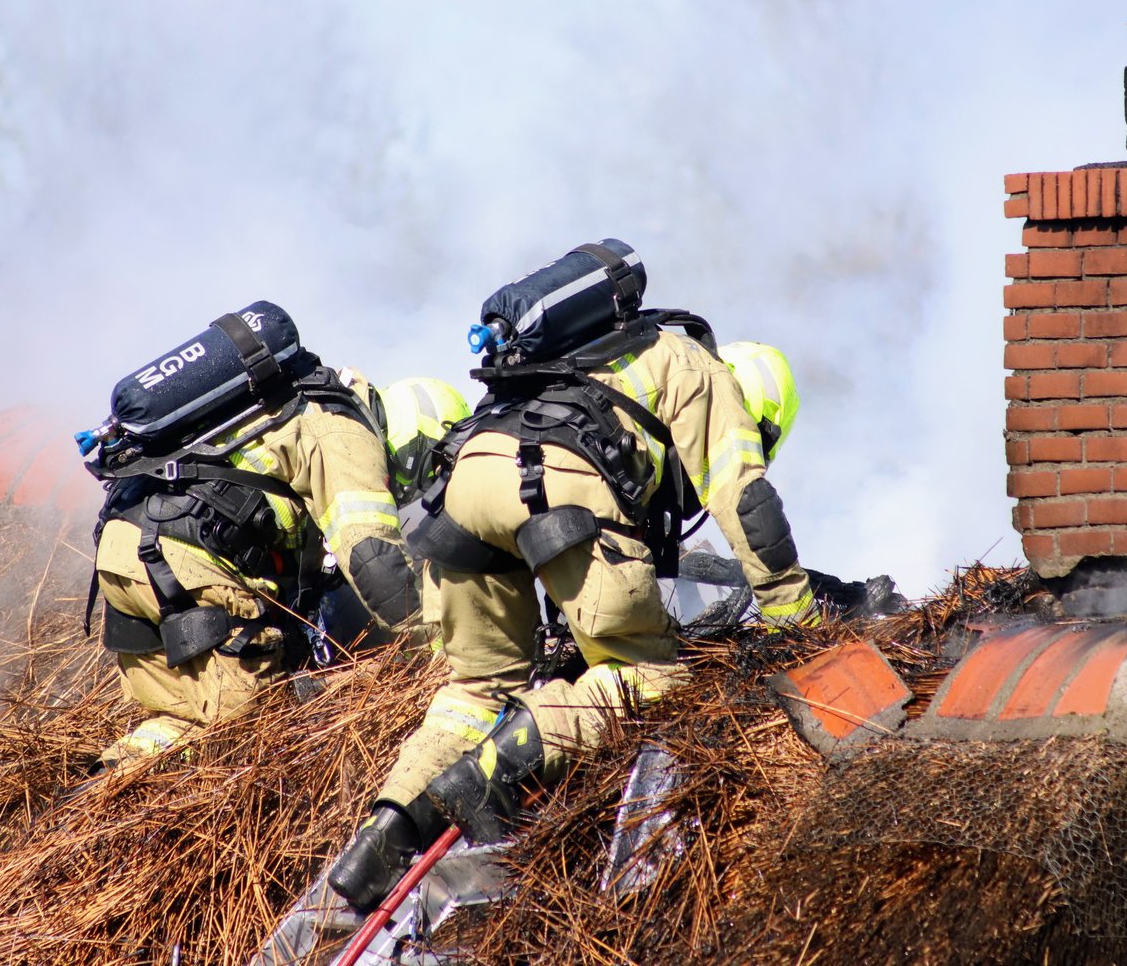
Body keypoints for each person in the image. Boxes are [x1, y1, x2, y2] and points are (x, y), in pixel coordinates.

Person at [327, 241, 814, 911]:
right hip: (552, 486)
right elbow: (746, 502)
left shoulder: (579, 360)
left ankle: (387, 828)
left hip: (465, 486)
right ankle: (498, 767)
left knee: (473, 691)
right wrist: (797, 622)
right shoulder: (697, 370)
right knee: (651, 677)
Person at [81, 305, 465, 772]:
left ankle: (94, 793)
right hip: (181, 558)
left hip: (122, 552)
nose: (410, 493)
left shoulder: (296, 403)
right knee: (261, 721)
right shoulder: (344, 430)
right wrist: (453, 649)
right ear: (418, 447)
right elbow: (374, 561)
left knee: (184, 716)